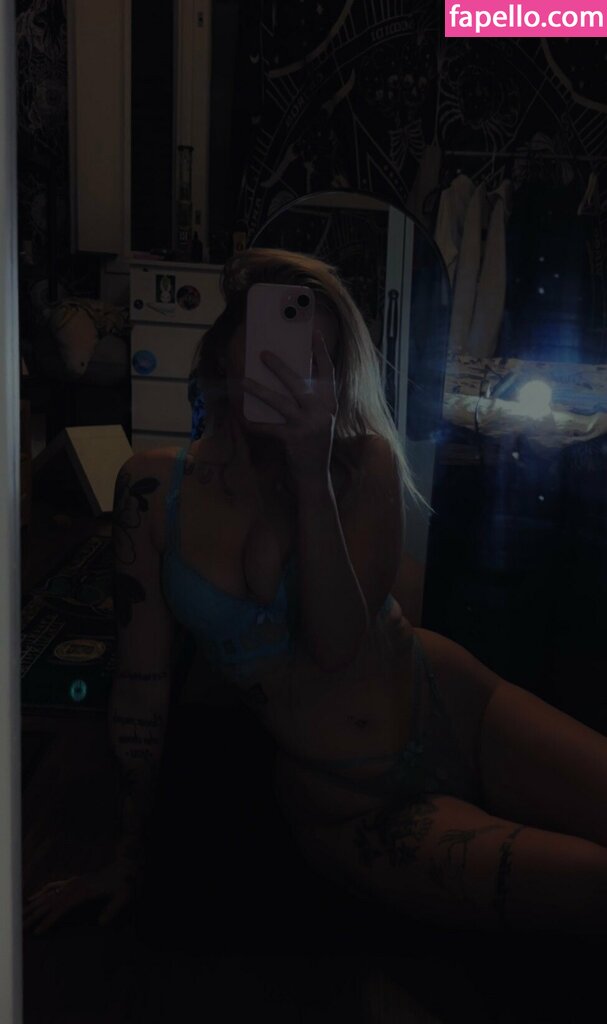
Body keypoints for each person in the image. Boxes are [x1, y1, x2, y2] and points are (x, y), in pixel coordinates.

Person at [24, 248, 607, 940]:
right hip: (350, 801)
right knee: (590, 884)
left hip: (453, 702)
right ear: (222, 349)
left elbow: (341, 638)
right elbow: (141, 685)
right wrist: (126, 852)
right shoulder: (152, 488)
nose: (286, 366)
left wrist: (311, 474)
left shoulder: (363, 462)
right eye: (269, 339)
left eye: (314, 357)